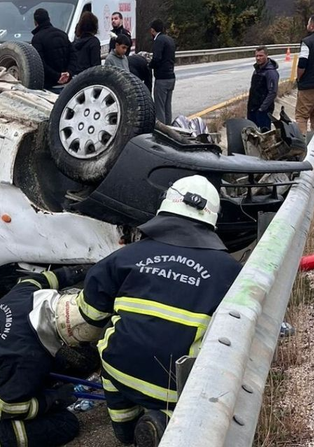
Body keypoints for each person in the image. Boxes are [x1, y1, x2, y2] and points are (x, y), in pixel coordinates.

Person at [77, 175, 243, 447]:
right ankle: (163, 421)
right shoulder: (230, 271)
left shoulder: (124, 256)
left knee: (111, 354)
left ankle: (124, 430)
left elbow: (90, 315)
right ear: (213, 218)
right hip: (174, 386)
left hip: (120, 370)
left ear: (165, 207)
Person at [0, 267, 103, 447]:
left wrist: (79, 271)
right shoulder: (29, 358)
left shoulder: (25, 294)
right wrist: (54, 399)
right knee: (65, 424)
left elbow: (35, 279)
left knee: (57, 365)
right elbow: (9, 408)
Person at [30, 8, 73, 88]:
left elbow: (40, 63)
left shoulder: (37, 38)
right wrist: (68, 73)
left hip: (48, 84)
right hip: (67, 83)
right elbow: (73, 56)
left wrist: (57, 76)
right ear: (49, 19)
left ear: (35, 22)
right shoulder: (63, 34)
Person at [149, 19, 176, 125]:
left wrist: (149, 65)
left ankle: (162, 133)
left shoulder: (158, 41)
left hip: (162, 78)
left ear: (152, 30)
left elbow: (156, 59)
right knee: (167, 106)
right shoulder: (170, 40)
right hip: (171, 77)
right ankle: (169, 129)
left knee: (159, 108)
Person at [247, 46, 280, 130]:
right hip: (252, 108)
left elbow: (272, 92)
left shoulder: (271, 72)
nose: (258, 58)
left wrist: (262, 108)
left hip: (263, 110)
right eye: (257, 56)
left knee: (265, 134)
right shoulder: (257, 70)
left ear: (266, 55)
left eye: (261, 56)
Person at [70, 11, 101, 76]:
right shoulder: (94, 42)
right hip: (88, 76)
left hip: (75, 77)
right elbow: (96, 65)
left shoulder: (74, 44)